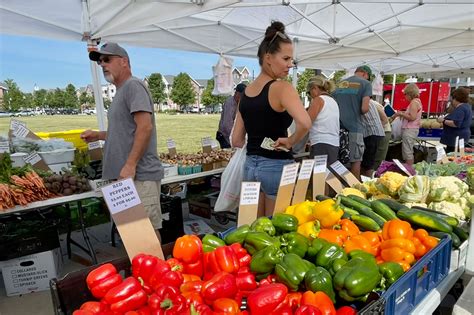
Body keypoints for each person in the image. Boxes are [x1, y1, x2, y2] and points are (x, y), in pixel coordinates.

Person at [81, 42, 164, 238]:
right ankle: (143, 268)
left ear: (124, 61)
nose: (102, 65)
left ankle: (156, 268)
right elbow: (125, 131)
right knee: (132, 236)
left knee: (145, 235)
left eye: (107, 59)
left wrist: (130, 164)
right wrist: (99, 135)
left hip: (138, 176)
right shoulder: (120, 92)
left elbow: (145, 127)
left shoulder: (133, 86)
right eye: (100, 61)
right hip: (124, 178)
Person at [231, 21, 311, 217]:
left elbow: (236, 140)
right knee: (274, 233)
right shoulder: (282, 88)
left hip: (250, 166)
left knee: (254, 230)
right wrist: (291, 141)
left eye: (291, 59)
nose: (290, 64)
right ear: (268, 58)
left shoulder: (246, 93)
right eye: (285, 58)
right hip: (276, 166)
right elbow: (306, 123)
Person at [333, 65, 372, 179]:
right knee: (355, 160)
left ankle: (336, 188)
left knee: (338, 161)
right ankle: (353, 189)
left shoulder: (341, 83)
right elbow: (364, 108)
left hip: (338, 129)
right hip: (355, 128)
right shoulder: (366, 84)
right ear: (365, 74)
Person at [306, 75, 339, 165]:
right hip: (334, 143)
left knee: (318, 176)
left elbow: (306, 123)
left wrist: (293, 141)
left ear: (315, 88)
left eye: (309, 92)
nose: (310, 96)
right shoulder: (333, 101)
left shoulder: (318, 100)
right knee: (329, 176)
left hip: (320, 143)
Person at [393, 83, 422, 165]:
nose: (405, 97)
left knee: (407, 152)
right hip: (413, 129)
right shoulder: (417, 101)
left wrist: (401, 114)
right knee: (408, 150)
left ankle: (409, 171)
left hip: (410, 129)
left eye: (405, 94)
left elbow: (412, 117)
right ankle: (409, 169)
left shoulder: (414, 102)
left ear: (410, 94)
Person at [439, 87, 472, 153]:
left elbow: (456, 123)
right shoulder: (467, 106)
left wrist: (443, 120)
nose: (451, 101)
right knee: (458, 155)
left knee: (452, 155)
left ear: (456, 98)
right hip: (461, 137)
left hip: (456, 138)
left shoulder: (461, 108)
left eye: (452, 99)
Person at [216, 83, 246, 148]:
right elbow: (227, 125)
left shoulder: (239, 103)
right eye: (242, 95)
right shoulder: (229, 104)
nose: (243, 97)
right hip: (225, 137)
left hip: (231, 135)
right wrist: (236, 137)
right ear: (236, 93)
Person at [361, 100, 385, 176]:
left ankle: (369, 182)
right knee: (371, 162)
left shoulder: (361, 101)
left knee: (368, 165)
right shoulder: (371, 102)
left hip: (370, 133)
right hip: (378, 133)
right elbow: (385, 119)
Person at [372, 99, 392, 170]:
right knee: (375, 156)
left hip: (384, 132)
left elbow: (385, 120)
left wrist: (374, 128)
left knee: (379, 157)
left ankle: (376, 174)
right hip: (378, 133)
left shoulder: (374, 105)